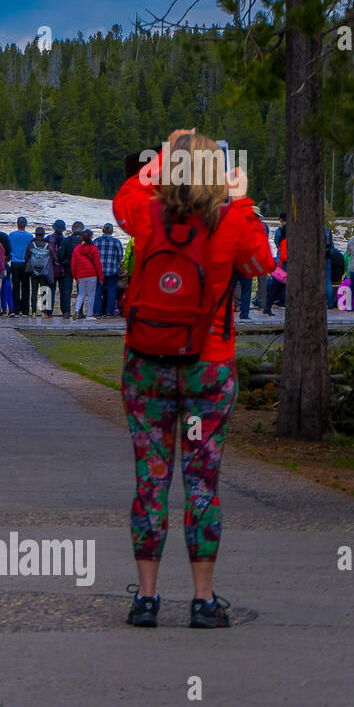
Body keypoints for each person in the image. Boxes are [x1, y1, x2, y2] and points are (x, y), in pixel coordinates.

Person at [114, 130, 273, 629]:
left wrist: (165, 153)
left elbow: (124, 198)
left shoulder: (147, 213)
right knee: (202, 483)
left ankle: (146, 598)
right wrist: (241, 198)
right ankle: (203, 601)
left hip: (147, 367)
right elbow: (262, 264)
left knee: (151, 481)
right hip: (208, 367)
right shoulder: (232, 220)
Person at [72, 230, 103, 321]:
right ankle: (89, 315)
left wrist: (75, 276)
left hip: (81, 275)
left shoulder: (77, 248)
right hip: (92, 274)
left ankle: (77, 310)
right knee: (91, 295)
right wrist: (101, 277)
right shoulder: (93, 248)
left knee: (81, 294)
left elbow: (73, 264)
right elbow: (98, 264)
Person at [94, 223, 124, 317]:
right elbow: (120, 257)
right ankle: (109, 311)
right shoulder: (116, 242)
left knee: (98, 292)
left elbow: (92, 256)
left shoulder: (96, 241)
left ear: (103, 230)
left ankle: (97, 311)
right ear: (111, 231)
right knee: (111, 292)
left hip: (99, 271)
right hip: (112, 270)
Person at [26, 226, 54, 316]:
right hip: (44, 271)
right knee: (44, 290)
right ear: (43, 235)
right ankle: (43, 312)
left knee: (34, 291)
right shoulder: (47, 245)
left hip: (33, 271)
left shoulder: (31, 244)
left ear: (35, 234)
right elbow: (53, 257)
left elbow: (25, 257)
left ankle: (33, 311)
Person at [8, 216, 34, 316]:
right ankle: (25, 310)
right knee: (26, 286)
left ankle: (15, 309)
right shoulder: (30, 236)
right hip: (26, 262)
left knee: (15, 287)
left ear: (17, 224)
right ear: (26, 224)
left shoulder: (11, 235)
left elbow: (9, 248)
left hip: (14, 262)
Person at [51, 219, 74, 318]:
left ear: (53, 228)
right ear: (64, 229)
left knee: (49, 291)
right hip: (63, 269)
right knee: (65, 292)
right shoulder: (67, 241)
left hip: (51, 269)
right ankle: (66, 311)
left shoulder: (49, 239)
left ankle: (47, 312)